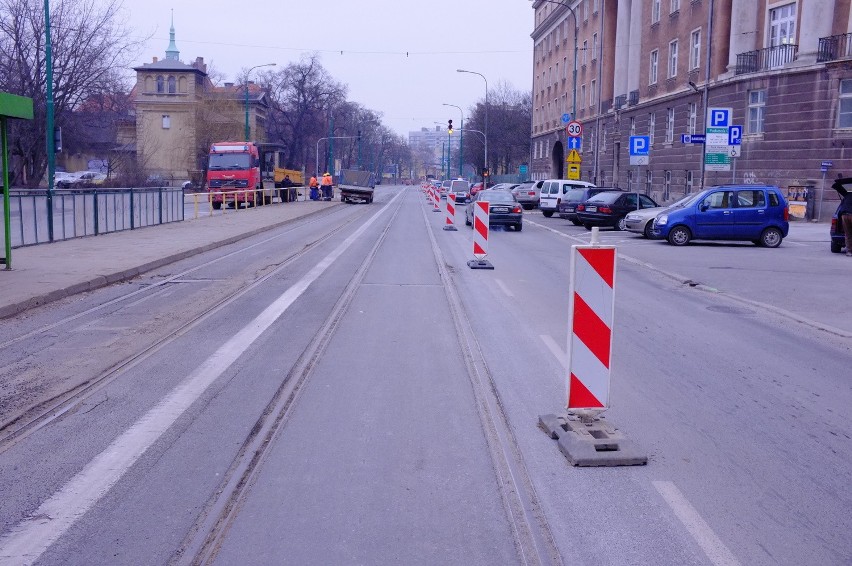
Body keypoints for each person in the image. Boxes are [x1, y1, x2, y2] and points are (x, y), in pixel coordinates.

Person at [834, 177, 852, 256]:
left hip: (844, 215)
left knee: (848, 234)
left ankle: (849, 251)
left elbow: (842, 206)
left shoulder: (848, 194)